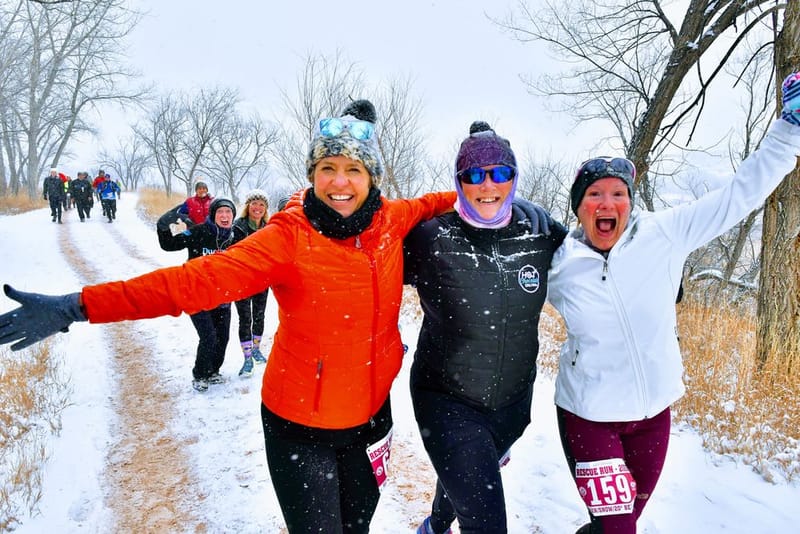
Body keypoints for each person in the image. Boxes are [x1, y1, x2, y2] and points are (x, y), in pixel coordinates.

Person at [0, 98, 456, 533]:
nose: (340, 182)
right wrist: (78, 305)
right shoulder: (287, 239)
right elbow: (188, 283)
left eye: (354, 169)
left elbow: (454, 200)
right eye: (327, 168)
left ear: (372, 177)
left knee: (358, 528)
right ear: (312, 174)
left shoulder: (391, 220)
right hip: (301, 426)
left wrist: (493, 183)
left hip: (372, 421)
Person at [545, 72, 800, 534]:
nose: (607, 203)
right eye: (594, 194)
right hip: (589, 416)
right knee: (619, 528)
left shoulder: (664, 234)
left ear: (630, 203)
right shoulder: (559, 264)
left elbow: (739, 195)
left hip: (653, 416)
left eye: (618, 194)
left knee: (618, 523)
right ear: (579, 208)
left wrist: (790, 130)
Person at [404, 121, 567, 534]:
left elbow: (599, 262)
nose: (488, 184)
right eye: (474, 175)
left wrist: (660, 274)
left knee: (471, 472)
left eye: (500, 173)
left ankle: (435, 525)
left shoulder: (539, 233)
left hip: (513, 404)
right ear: (459, 182)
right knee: (485, 518)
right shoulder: (430, 237)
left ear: (514, 178)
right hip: (447, 399)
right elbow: (366, 255)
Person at [157, 197, 238, 391]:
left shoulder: (236, 238)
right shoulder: (199, 231)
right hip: (197, 295)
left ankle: (213, 371)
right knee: (209, 336)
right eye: (220, 212)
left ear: (233, 216)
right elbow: (170, 244)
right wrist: (162, 227)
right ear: (213, 214)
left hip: (222, 298)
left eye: (228, 212)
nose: (224, 216)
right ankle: (200, 374)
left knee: (223, 337)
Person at [231, 189, 270, 378]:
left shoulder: (269, 228)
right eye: (254, 203)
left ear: (266, 209)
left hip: (262, 279)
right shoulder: (238, 227)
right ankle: (247, 358)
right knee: (245, 318)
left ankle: (256, 349)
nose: (258, 207)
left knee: (259, 316)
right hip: (242, 280)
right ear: (248, 206)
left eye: (262, 204)